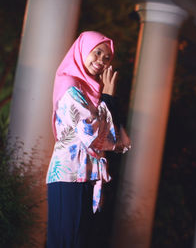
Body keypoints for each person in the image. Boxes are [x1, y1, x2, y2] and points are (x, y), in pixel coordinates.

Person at [45, 31, 131, 248]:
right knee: (67, 241)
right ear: (83, 50)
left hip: (87, 175)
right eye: (98, 52)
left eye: (107, 58)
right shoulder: (70, 85)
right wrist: (108, 99)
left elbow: (119, 141)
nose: (101, 61)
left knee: (78, 241)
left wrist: (106, 100)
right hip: (69, 174)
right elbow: (91, 134)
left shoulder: (90, 91)